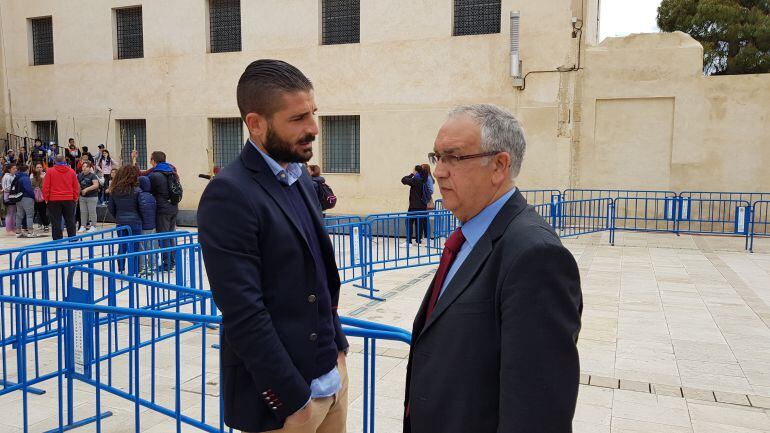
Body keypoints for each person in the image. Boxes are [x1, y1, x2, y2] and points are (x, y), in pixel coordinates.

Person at [403, 104, 582, 433]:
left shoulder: (534, 256)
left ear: (499, 165)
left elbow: (536, 415)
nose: (440, 171)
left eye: (453, 158)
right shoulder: (468, 235)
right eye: (436, 157)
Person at [198, 59, 349, 433]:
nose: (313, 128)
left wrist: (339, 351)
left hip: (331, 385)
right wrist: (292, 402)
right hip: (286, 409)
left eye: (313, 113)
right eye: (298, 118)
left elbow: (319, 276)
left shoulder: (297, 176)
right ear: (256, 123)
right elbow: (243, 313)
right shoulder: (229, 193)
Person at [108, 165, 143, 273]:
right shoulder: (137, 190)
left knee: (122, 246)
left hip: (121, 221)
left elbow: (111, 208)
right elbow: (141, 206)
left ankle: (121, 268)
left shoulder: (114, 190)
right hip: (135, 221)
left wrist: (117, 217)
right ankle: (134, 270)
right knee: (135, 247)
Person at [147, 151, 179, 271]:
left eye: (151, 160)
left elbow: (147, 186)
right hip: (173, 207)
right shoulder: (172, 172)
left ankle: (167, 264)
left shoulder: (155, 175)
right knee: (171, 236)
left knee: (164, 236)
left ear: (154, 161)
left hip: (162, 209)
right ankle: (172, 262)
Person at [43, 154, 80, 240]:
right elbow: (75, 187)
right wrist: (74, 198)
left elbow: (45, 187)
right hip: (69, 199)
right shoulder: (71, 171)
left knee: (56, 221)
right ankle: (72, 238)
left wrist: (46, 199)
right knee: (70, 220)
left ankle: (57, 239)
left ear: (55, 161)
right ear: (65, 160)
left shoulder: (50, 171)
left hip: (53, 200)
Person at [401, 165, 429, 246]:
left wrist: (411, 174)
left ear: (416, 171)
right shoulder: (424, 179)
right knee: (418, 223)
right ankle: (418, 240)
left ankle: (409, 242)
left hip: (414, 206)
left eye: (414, 170)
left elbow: (403, 180)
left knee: (409, 222)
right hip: (422, 205)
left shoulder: (415, 180)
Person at [137, 176, 157, 276]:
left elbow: (140, 211)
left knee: (142, 247)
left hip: (143, 225)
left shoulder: (139, 196)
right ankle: (152, 266)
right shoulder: (151, 196)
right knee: (151, 246)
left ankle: (143, 267)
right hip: (152, 224)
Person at [13, 164, 37, 238]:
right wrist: (34, 196)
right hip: (27, 198)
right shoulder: (25, 178)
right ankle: (30, 231)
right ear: (26, 170)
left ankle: (18, 231)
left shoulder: (17, 177)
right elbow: (28, 189)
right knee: (29, 215)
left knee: (19, 215)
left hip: (18, 198)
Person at [77, 162, 100, 233]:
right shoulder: (79, 175)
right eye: (83, 166)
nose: (84, 168)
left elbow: (96, 185)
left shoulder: (93, 176)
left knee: (92, 211)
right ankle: (83, 226)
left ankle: (94, 226)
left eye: (86, 167)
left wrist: (87, 189)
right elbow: (78, 185)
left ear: (90, 168)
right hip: (82, 197)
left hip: (92, 196)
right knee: (83, 212)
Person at [30, 163, 50, 232]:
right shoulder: (32, 176)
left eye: (40, 167)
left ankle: (44, 225)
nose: (39, 168)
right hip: (37, 198)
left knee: (41, 212)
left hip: (40, 197)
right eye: (37, 167)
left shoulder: (45, 175)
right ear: (35, 168)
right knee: (38, 212)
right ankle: (41, 225)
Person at [2, 163, 18, 235]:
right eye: (14, 169)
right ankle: (8, 229)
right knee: (10, 213)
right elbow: (6, 188)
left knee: (14, 213)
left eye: (16, 168)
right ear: (9, 169)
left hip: (13, 196)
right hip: (9, 196)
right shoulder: (7, 177)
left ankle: (13, 227)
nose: (15, 170)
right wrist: (15, 188)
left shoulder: (13, 176)